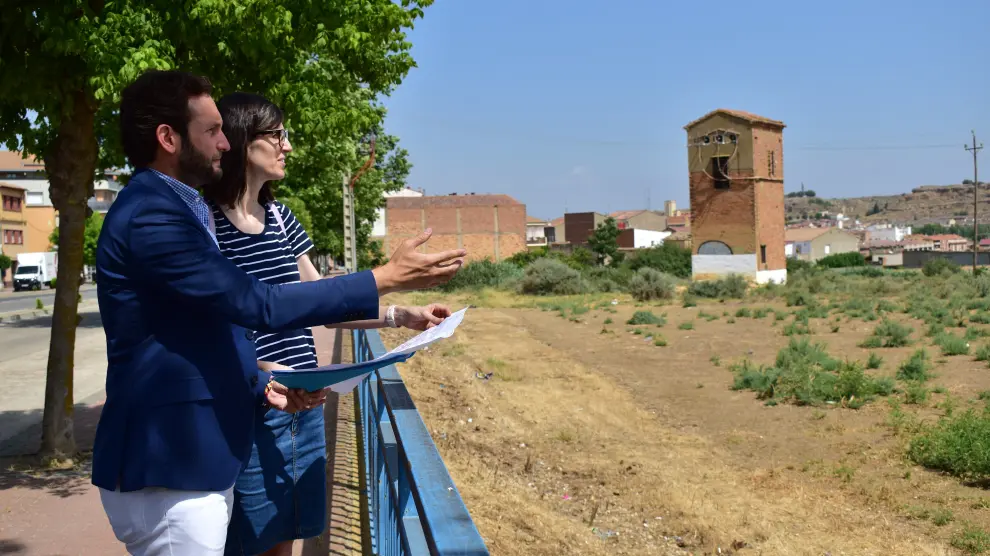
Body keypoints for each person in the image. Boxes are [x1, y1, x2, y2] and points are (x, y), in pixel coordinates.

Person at [92, 70, 465, 556]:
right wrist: (383, 277)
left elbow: (213, 328)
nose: (224, 142)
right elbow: (257, 306)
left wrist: (261, 382)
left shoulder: (180, 210)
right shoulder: (153, 215)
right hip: (173, 466)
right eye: (211, 131)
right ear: (168, 138)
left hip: (201, 455)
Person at [201, 92, 448, 555]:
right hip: (255, 409)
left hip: (307, 406)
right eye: (276, 135)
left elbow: (322, 301)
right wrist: (263, 375)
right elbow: (209, 331)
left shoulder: (279, 216)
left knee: (289, 535)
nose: (287, 146)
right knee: (249, 542)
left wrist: (400, 316)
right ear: (239, 140)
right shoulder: (206, 226)